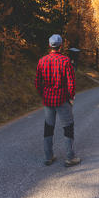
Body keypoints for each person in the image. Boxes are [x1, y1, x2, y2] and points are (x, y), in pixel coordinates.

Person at [35, 34, 81, 167]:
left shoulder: (42, 61)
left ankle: (48, 156)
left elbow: (37, 82)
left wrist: (43, 94)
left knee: (48, 127)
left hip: (48, 100)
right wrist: (71, 98)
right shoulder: (65, 61)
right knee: (68, 127)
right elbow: (71, 82)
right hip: (62, 100)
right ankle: (70, 157)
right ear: (61, 45)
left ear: (50, 45)